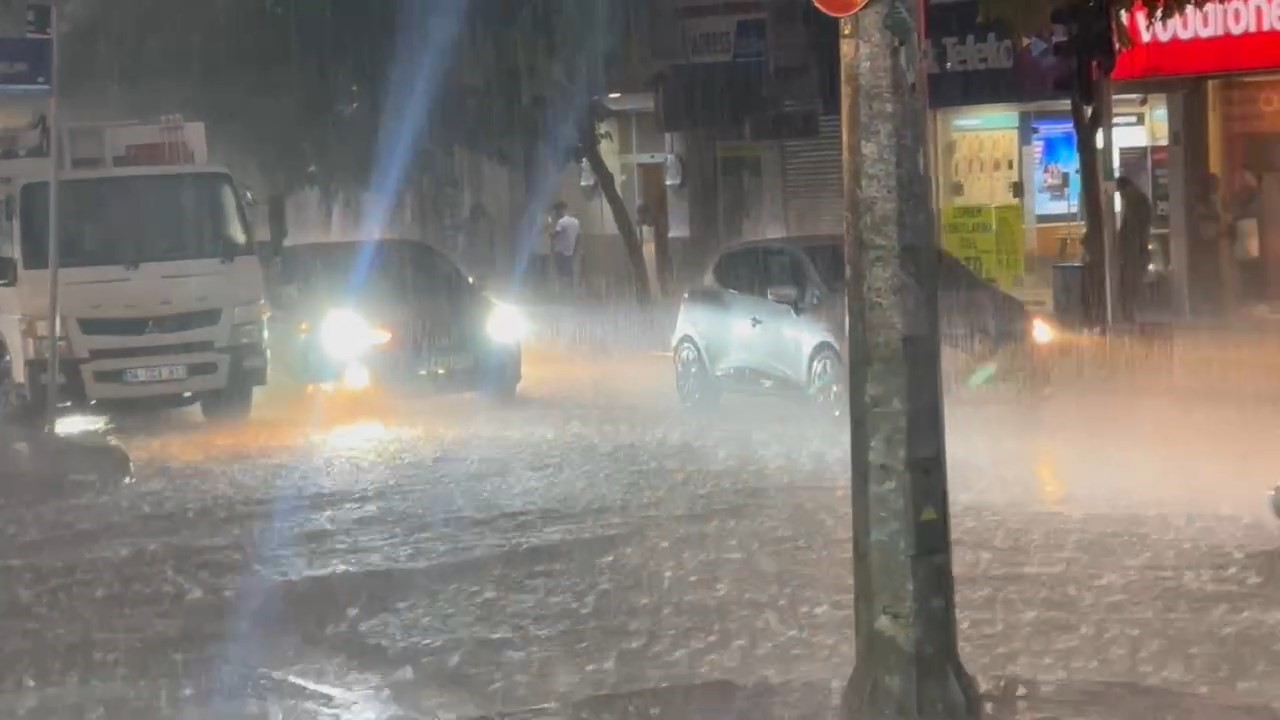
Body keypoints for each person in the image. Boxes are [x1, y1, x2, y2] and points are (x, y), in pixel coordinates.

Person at [1116, 176, 1152, 323]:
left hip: (1135, 252)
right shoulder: (1139, 200)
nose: (1122, 196)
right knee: (1133, 284)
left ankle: (1133, 314)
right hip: (1137, 251)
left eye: (1121, 192)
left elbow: (1133, 229)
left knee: (1131, 284)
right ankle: (1133, 313)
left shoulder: (1135, 202)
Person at [549, 201, 580, 298]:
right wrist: (575, 249)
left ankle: (562, 294)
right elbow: (579, 237)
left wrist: (550, 233)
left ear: (560, 210)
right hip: (570, 251)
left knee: (560, 273)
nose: (556, 214)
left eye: (556, 211)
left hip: (560, 251)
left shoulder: (561, 222)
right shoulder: (575, 222)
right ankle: (570, 293)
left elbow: (555, 234)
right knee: (569, 273)